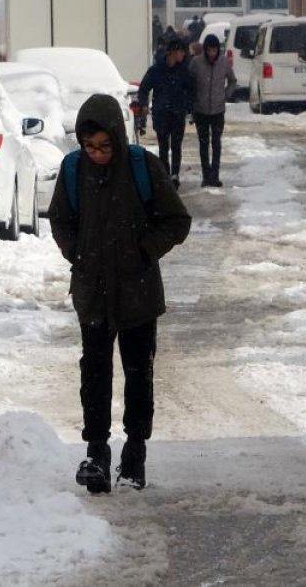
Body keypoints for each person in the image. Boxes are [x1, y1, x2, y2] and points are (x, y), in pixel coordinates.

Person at [48, 94, 192, 493]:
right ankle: (96, 452)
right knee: (93, 372)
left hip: (137, 291)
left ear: (116, 137)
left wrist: (144, 251)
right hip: (93, 290)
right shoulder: (74, 170)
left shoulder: (144, 167)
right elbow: (60, 218)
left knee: (137, 372)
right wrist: (76, 251)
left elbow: (177, 220)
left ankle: (134, 452)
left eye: (104, 146)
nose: (96, 153)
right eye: (89, 146)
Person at [136, 38, 194, 187]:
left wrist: (188, 106)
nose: (183, 55)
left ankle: (174, 175)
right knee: (163, 146)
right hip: (161, 113)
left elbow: (191, 89)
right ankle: (164, 175)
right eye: (182, 52)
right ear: (173, 52)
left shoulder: (183, 70)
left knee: (176, 145)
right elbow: (144, 88)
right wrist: (144, 105)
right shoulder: (157, 70)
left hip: (177, 113)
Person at [188, 34, 236, 187]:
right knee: (203, 144)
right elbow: (189, 82)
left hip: (218, 110)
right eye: (209, 50)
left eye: (214, 50)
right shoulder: (196, 63)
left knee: (216, 144)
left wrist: (225, 95)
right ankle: (206, 175)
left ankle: (215, 175)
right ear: (205, 50)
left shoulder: (224, 62)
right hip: (200, 111)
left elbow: (233, 81)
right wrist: (193, 100)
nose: (211, 53)